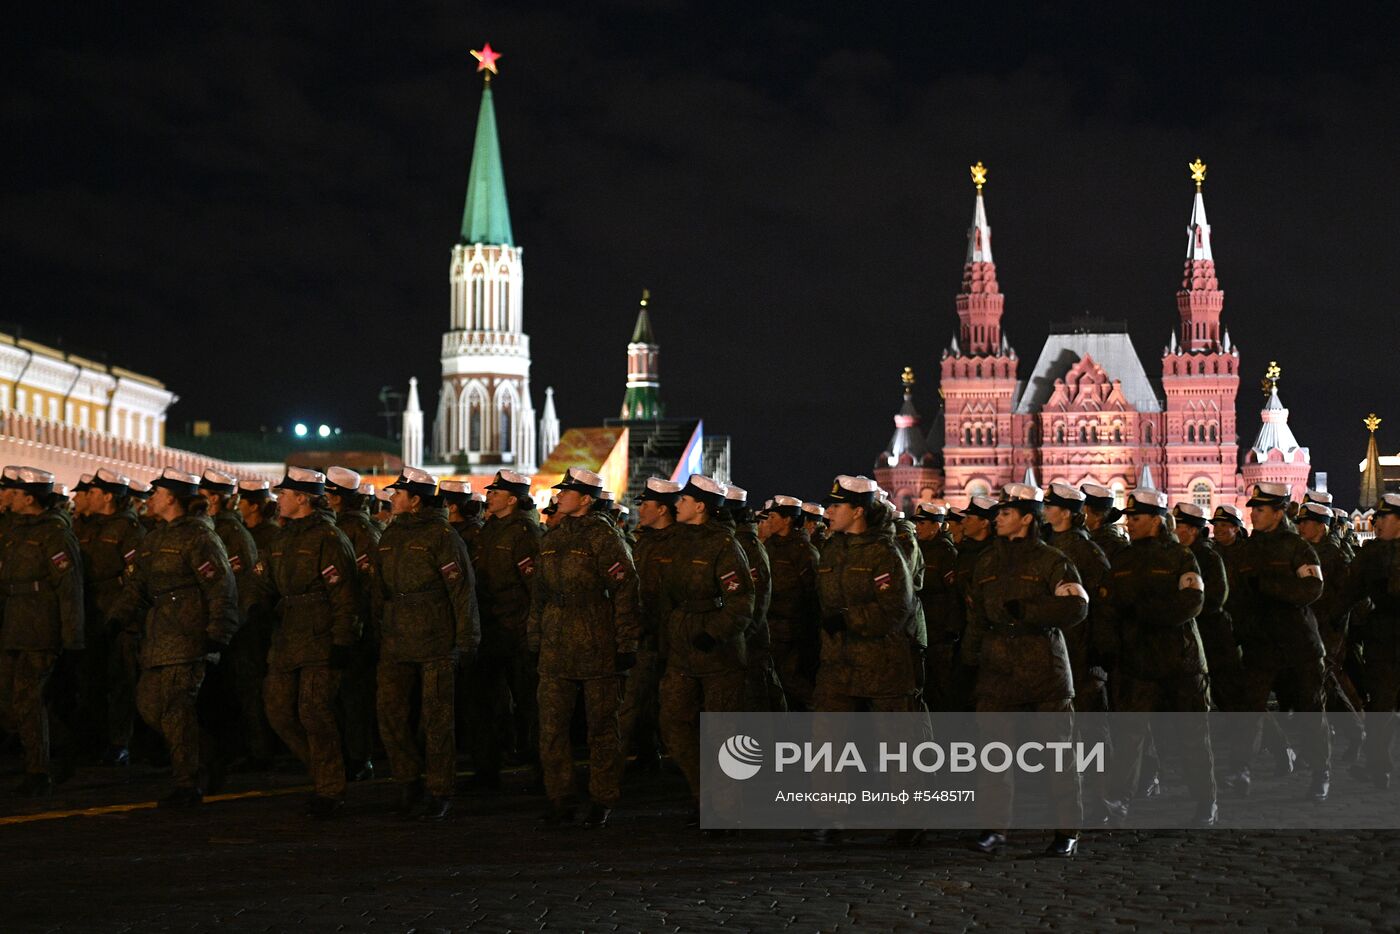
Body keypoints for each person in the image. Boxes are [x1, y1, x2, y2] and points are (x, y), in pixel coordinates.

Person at [960, 483, 1086, 857]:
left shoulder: (1051, 560)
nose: (997, 518)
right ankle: (994, 828)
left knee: (1058, 754)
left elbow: (1076, 606)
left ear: (1027, 518)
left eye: (1005, 513)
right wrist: (970, 662)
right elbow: (976, 617)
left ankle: (1067, 831)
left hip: (1042, 666)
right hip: (998, 670)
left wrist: (1031, 612)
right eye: (997, 513)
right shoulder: (986, 562)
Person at [108, 468, 238, 806]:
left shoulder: (199, 537)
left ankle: (187, 784)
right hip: (157, 637)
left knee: (177, 709)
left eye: (157, 492)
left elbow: (221, 587)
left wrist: (217, 633)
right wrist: (116, 619)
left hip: (188, 636)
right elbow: (136, 587)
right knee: (150, 706)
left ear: (172, 498)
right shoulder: (154, 538)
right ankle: (209, 753)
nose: (150, 498)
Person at [529, 467, 641, 828]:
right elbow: (540, 594)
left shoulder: (603, 537)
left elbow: (626, 589)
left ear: (587, 500)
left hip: (597, 641)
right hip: (557, 644)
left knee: (602, 727)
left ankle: (602, 797)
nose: (559, 495)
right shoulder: (554, 537)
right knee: (552, 726)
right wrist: (535, 636)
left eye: (567, 492)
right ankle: (560, 797)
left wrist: (626, 641)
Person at [1101, 487, 1217, 826]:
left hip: (1180, 660)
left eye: (1136, 519)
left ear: (1155, 521)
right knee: (1129, 735)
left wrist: (1146, 613)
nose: (1130, 524)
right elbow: (1109, 606)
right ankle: (1118, 798)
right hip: (1137, 661)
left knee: (1192, 734)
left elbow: (1192, 601)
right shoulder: (1122, 559)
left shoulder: (1181, 557)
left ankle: (1205, 800)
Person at [370, 467, 481, 821]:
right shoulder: (391, 535)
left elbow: (461, 591)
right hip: (396, 639)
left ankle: (439, 789)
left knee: (436, 720)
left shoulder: (441, 536)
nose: (392, 498)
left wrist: (467, 639)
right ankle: (407, 780)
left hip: (435, 638)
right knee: (390, 714)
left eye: (398, 494)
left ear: (415, 500)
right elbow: (378, 589)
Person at [261, 467, 360, 819]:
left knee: (314, 713)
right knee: (278, 710)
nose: (278, 499)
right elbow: (267, 585)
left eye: (284, 494)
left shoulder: (328, 538)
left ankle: (330, 787)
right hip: (287, 637)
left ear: (302, 497)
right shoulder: (282, 538)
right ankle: (327, 767)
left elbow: (345, 594)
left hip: (320, 635)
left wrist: (343, 639)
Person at [657, 473, 753, 827]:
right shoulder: (678, 542)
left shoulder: (724, 546)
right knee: (673, 723)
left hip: (718, 654)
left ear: (700, 506)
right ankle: (703, 793)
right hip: (683, 650)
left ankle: (726, 809)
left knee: (723, 733)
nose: (676, 504)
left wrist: (714, 632)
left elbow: (742, 602)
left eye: (683, 500)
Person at [1230, 482, 1330, 801]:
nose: (1254, 515)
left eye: (1260, 510)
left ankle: (1320, 772)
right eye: (1253, 509)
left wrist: (1270, 587)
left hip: (1297, 642)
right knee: (1248, 709)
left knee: (1310, 709)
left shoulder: (1298, 548)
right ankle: (1241, 769)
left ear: (1278, 513)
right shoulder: (1245, 549)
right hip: (1260, 644)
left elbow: (1312, 588)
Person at [0, 468, 84, 795]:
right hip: (14, 626)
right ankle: (59, 748)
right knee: (10, 700)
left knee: (28, 698)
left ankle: (39, 770)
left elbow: (69, 587)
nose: (7, 496)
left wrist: (72, 636)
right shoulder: (15, 531)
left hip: (40, 627)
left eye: (13, 492)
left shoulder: (54, 534)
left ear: (29, 498)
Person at [468, 469, 544, 790]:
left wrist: (533, 632)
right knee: (487, 704)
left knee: (530, 705)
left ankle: (542, 773)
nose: (489, 495)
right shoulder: (489, 530)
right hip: (491, 631)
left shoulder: (524, 533)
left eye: (496, 493)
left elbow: (535, 589)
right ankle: (488, 771)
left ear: (512, 500)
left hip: (517, 633)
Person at [73, 469, 145, 767]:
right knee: (91, 680)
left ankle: (121, 742)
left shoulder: (129, 530)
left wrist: (120, 616)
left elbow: (134, 580)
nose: (87, 495)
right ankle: (94, 739)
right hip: (90, 611)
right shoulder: (87, 528)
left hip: (118, 616)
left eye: (93, 491)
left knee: (121, 682)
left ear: (107, 496)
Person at [619, 478, 681, 771]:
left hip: (674, 638)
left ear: (662, 509)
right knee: (633, 703)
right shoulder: (643, 540)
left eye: (645, 504)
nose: (640, 509)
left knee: (674, 709)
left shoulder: (683, 542)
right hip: (644, 635)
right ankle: (644, 755)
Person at [1295, 502, 1365, 762]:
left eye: (1306, 522)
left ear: (1321, 526)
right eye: (1300, 521)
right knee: (1318, 686)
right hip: (1308, 627)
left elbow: (1348, 593)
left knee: (1320, 685)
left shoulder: (1334, 555)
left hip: (1328, 630)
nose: (1300, 526)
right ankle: (1349, 733)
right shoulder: (1304, 551)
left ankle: (1348, 733)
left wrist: (1333, 621)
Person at [325, 467, 381, 784]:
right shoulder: (341, 528)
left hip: (358, 627)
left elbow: (368, 587)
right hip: (345, 624)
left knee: (354, 697)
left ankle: (360, 758)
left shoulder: (361, 532)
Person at [720, 485, 784, 712]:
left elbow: (758, 602)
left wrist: (740, 635)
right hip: (733, 640)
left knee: (756, 700)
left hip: (749, 642)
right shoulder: (730, 544)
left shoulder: (751, 548)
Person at [1351, 493, 1400, 787]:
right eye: (1376, 517)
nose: (1376, 522)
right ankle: (1378, 767)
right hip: (1382, 642)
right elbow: (1349, 593)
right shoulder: (1370, 554)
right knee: (1380, 707)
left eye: (1383, 517)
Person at [763, 495, 821, 712]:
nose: (768, 521)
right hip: (771, 629)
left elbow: (813, 596)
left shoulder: (804, 552)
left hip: (794, 632)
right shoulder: (770, 546)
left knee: (793, 681)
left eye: (773, 516)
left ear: (787, 520)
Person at [1081, 483, 1128, 561]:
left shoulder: (1113, 545)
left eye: (1082, 510)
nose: (1079, 514)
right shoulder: (1087, 537)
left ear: (1098, 516)